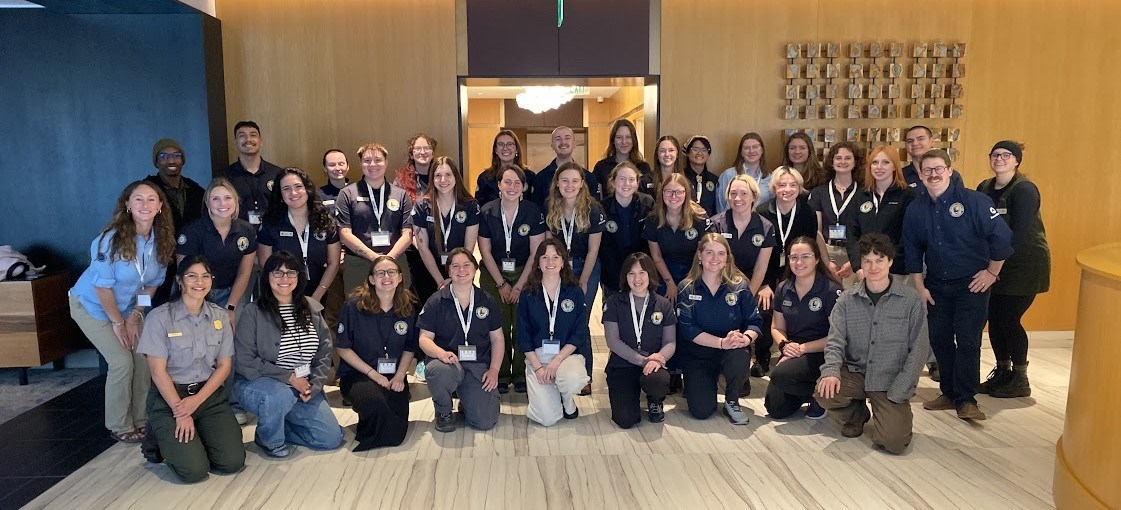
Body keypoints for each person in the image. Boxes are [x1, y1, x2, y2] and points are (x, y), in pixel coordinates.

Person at [903, 149, 1012, 421]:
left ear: (950, 171)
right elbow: (913, 248)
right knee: (939, 339)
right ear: (920, 175)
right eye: (927, 170)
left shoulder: (974, 201)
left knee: (967, 340)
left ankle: (966, 399)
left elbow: (1001, 238)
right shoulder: (916, 208)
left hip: (971, 285)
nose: (933, 174)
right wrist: (919, 285)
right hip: (936, 285)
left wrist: (991, 273)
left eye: (939, 168)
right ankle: (949, 392)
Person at [69, 180, 175, 442]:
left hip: (129, 309)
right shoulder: (109, 240)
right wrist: (119, 323)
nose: (145, 205)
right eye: (138, 199)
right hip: (92, 306)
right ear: (127, 205)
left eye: (152, 199)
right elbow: (102, 289)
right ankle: (118, 423)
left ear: (160, 206)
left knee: (142, 360)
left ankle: (141, 418)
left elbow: (151, 284)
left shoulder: (161, 240)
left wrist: (136, 315)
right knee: (121, 362)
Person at [815, 233, 930, 454]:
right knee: (824, 392)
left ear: (890, 262)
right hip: (856, 373)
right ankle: (857, 415)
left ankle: (889, 417)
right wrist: (830, 371)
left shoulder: (910, 300)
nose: (873, 266)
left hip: (890, 379)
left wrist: (901, 388)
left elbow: (919, 348)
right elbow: (835, 341)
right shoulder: (846, 300)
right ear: (861, 264)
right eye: (867, 261)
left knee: (893, 443)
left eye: (879, 260)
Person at [137, 256, 245, 482]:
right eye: (192, 276)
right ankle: (157, 435)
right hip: (170, 398)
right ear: (180, 281)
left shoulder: (220, 317)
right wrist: (180, 410)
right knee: (194, 471)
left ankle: (196, 433)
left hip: (208, 397)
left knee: (232, 462)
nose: (200, 282)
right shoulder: (159, 318)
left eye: (206, 276)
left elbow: (224, 366)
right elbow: (158, 372)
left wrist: (195, 402)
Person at [233, 252, 344, 457]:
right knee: (279, 396)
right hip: (262, 384)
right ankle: (269, 440)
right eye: (278, 273)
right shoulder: (253, 312)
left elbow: (324, 352)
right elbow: (245, 361)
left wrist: (315, 385)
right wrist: (290, 378)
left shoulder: (311, 307)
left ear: (299, 277)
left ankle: (279, 423)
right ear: (267, 277)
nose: (285, 279)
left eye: (291, 273)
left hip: (303, 386)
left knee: (331, 438)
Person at [976, 141, 1050, 398]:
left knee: (1008, 318)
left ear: (1016, 161)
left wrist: (995, 267)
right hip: (994, 264)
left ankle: (1020, 377)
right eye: (995, 154)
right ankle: (1002, 372)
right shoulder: (984, 188)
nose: (999, 159)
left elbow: (1017, 234)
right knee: (995, 319)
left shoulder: (1024, 190)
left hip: (1023, 264)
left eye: (1006, 155)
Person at [675, 233, 762, 424]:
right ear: (700, 255)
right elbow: (688, 330)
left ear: (727, 258)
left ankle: (732, 400)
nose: (715, 259)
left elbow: (755, 321)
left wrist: (745, 338)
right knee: (701, 411)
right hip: (699, 353)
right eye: (709, 253)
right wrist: (721, 342)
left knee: (740, 353)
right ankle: (703, 385)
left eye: (721, 254)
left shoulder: (739, 286)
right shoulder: (686, 287)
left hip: (731, 350)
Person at [418, 248, 505, 432]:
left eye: (466, 265)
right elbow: (424, 339)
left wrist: (494, 370)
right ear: (449, 271)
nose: (461, 270)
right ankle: (443, 410)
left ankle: (468, 402)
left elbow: (497, 339)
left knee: (485, 421)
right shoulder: (436, 301)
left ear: (475, 269)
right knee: (439, 372)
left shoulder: (487, 301)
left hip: (477, 365)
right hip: (447, 362)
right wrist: (440, 353)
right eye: (455, 266)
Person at [336, 256, 418, 450]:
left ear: (400, 277)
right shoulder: (353, 306)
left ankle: (377, 423)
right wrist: (372, 374)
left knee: (397, 425)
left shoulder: (407, 306)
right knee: (375, 403)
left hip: (393, 376)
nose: (386, 277)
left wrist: (399, 376)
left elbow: (409, 347)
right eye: (380, 273)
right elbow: (343, 347)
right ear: (372, 279)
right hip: (359, 375)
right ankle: (374, 419)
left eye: (391, 272)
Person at [477, 164, 546, 393]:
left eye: (517, 182)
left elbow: (536, 252)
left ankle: (520, 373)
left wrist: (519, 286)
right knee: (498, 325)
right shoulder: (487, 211)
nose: (512, 187)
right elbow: (485, 251)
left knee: (522, 325)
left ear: (523, 187)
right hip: (493, 273)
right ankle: (501, 373)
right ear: (499, 185)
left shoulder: (532, 211)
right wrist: (501, 284)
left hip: (525, 273)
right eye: (507, 182)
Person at [753, 167, 822, 377]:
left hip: (797, 270)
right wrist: (764, 284)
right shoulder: (763, 211)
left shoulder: (807, 213)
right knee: (765, 306)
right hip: (768, 269)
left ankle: (796, 351)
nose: (787, 189)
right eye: (782, 185)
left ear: (799, 188)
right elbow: (757, 251)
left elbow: (811, 246)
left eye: (793, 185)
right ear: (774, 188)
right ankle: (762, 358)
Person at [763, 236, 842, 420]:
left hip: (822, 352)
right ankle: (810, 392)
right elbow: (777, 327)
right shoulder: (783, 288)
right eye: (793, 257)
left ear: (816, 259)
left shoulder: (831, 290)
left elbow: (838, 336)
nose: (799, 262)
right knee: (775, 409)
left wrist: (801, 349)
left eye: (805, 256)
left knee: (781, 375)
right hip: (793, 350)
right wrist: (784, 346)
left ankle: (821, 394)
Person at [544, 161, 605, 395]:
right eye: (564, 180)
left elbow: (593, 250)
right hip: (557, 268)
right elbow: (549, 246)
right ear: (557, 183)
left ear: (582, 185)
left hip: (585, 267)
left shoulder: (593, 210)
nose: (569, 185)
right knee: (560, 319)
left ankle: (586, 376)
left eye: (574, 181)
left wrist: (583, 280)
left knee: (580, 320)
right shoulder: (551, 207)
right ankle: (560, 370)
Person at [516, 239, 591, 426]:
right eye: (545, 257)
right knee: (547, 419)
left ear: (563, 261)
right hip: (538, 359)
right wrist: (539, 368)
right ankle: (550, 392)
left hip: (567, 356)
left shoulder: (574, 291)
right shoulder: (527, 294)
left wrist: (557, 360)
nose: (550, 262)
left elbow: (579, 331)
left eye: (555, 257)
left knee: (572, 379)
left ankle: (566, 399)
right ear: (538, 262)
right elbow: (523, 335)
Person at [258, 168, 342, 321]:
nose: (293, 193)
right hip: (281, 293)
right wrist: (283, 295)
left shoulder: (325, 220)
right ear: (281, 195)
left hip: (319, 292)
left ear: (307, 189)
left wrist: (316, 297)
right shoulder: (271, 222)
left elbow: (334, 263)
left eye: (298, 187)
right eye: (286, 189)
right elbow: (265, 264)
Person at [602, 253, 675, 428]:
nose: (637, 279)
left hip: (654, 364)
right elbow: (613, 341)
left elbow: (670, 342)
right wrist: (642, 360)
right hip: (623, 364)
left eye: (642, 273)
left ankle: (655, 401)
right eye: (631, 273)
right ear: (625, 277)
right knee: (625, 420)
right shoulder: (614, 303)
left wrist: (659, 358)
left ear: (650, 274)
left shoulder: (663, 304)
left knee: (657, 381)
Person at [336, 142, 414, 293]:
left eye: (378, 160)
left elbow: (408, 233)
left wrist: (388, 259)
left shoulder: (400, 194)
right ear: (360, 164)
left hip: (395, 262)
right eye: (367, 160)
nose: (372, 164)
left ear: (386, 162)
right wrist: (375, 258)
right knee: (359, 310)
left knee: (399, 310)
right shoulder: (347, 194)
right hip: (359, 264)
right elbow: (344, 234)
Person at [176, 178, 257, 320]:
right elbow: (185, 275)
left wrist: (231, 307)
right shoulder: (192, 231)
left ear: (235, 201)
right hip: (197, 291)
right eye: (215, 199)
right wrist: (200, 304)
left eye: (227, 198)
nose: (222, 204)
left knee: (231, 331)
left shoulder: (246, 230)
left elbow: (244, 273)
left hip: (233, 293)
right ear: (207, 202)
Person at [411, 156, 479, 306]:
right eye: (438, 175)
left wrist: (455, 276)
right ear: (432, 178)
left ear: (456, 177)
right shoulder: (422, 206)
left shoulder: (470, 206)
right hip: (429, 272)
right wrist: (440, 281)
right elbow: (423, 247)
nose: (443, 180)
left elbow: (469, 248)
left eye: (448, 175)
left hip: (461, 272)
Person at [144, 138, 204, 306]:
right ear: (156, 161)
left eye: (176, 155)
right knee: (158, 307)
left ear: (182, 160)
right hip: (158, 258)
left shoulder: (196, 190)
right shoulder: (147, 189)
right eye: (164, 156)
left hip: (190, 258)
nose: (171, 160)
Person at [847, 145, 914, 280]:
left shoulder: (907, 195)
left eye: (885, 162)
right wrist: (857, 266)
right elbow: (852, 234)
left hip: (895, 270)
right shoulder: (861, 196)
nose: (879, 167)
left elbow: (908, 236)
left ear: (895, 166)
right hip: (865, 270)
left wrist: (886, 264)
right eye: (875, 162)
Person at [808, 141, 867, 288]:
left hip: (855, 252)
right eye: (838, 158)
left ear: (855, 162)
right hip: (827, 251)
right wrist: (827, 262)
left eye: (848, 158)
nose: (842, 162)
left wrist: (854, 260)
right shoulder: (819, 192)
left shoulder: (864, 192)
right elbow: (817, 229)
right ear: (831, 162)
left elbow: (866, 229)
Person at [644, 173, 711, 302]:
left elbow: (703, 252)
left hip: (694, 270)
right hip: (664, 272)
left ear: (686, 193)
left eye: (679, 192)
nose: (673, 196)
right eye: (669, 191)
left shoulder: (699, 217)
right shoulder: (653, 219)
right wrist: (670, 283)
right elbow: (656, 257)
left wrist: (690, 281)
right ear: (662, 193)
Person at [600, 161, 655, 297]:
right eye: (622, 179)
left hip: (642, 273)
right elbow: (603, 248)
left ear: (637, 183)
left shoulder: (647, 203)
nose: (626, 184)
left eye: (631, 180)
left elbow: (651, 241)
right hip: (612, 274)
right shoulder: (602, 208)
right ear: (613, 182)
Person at [223, 121, 284, 226]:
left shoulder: (277, 174)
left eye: (253, 135)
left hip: (273, 235)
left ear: (261, 141)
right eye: (242, 136)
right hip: (237, 236)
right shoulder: (225, 177)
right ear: (235, 143)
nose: (248, 139)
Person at [533, 126, 601, 208]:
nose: (563, 142)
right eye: (558, 139)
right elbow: (536, 210)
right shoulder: (540, 178)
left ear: (574, 144)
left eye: (567, 138)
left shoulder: (589, 178)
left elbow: (595, 208)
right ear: (552, 145)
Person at [592, 119, 653, 199]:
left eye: (628, 137)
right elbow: (596, 199)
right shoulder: (601, 167)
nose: (624, 142)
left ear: (634, 140)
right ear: (613, 140)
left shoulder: (643, 167)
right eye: (619, 137)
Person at [717, 133, 772, 212]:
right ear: (741, 152)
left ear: (762, 150)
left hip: (761, 222)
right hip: (731, 222)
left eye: (755, 147)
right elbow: (720, 205)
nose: (751, 151)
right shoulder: (728, 175)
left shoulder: (770, 177)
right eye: (746, 148)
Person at [476, 130, 533, 206]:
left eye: (510, 144)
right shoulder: (484, 178)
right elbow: (479, 207)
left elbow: (534, 205)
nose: (505, 148)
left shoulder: (529, 176)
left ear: (517, 149)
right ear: (495, 150)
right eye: (500, 144)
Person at [683, 135, 720, 216]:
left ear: (708, 154)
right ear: (688, 153)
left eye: (704, 150)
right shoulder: (680, 178)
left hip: (710, 225)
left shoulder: (714, 180)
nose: (699, 153)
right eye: (695, 149)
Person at [318, 148, 350, 216]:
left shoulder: (359, 191)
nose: (337, 168)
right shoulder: (318, 196)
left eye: (341, 164)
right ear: (325, 168)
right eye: (332, 165)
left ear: (347, 166)